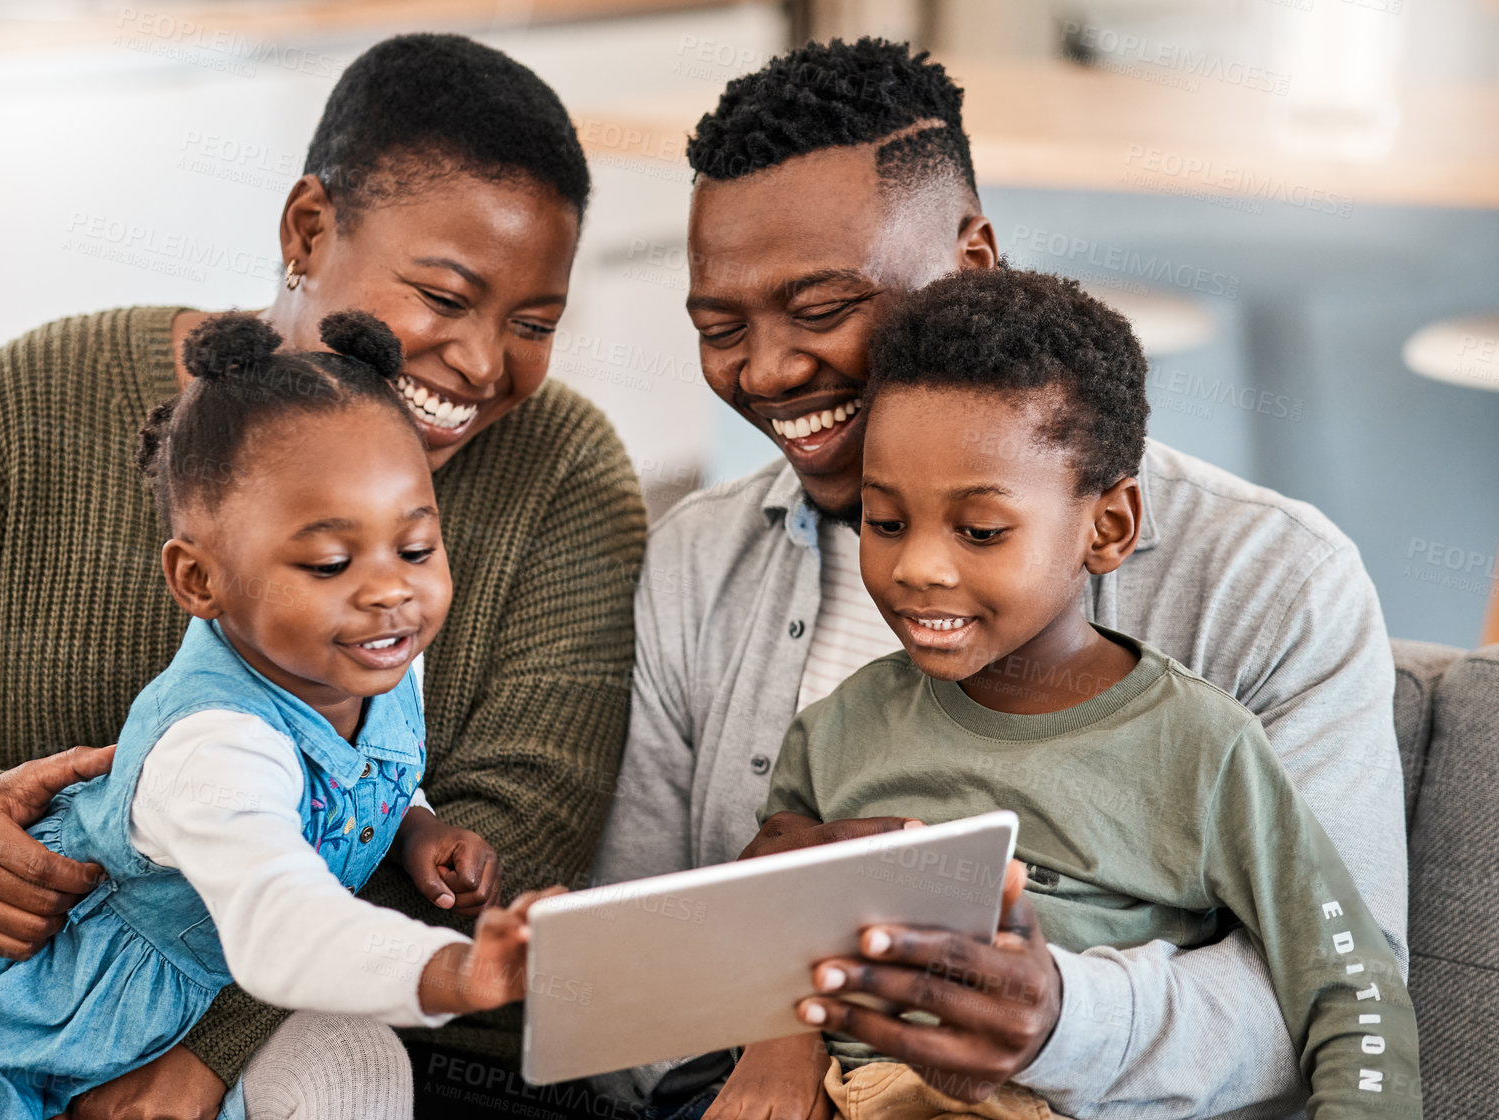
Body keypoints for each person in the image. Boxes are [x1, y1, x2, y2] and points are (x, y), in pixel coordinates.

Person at [0, 33, 645, 1120]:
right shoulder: (35, 398)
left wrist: (205, 1055)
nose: (480, 363)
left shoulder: (563, 473)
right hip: (18, 988)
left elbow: (504, 834)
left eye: (533, 323)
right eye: (443, 295)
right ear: (307, 229)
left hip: (342, 1018)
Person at [593, 38, 1409, 1119]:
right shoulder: (707, 571)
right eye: (719, 327)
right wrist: (769, 1009)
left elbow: (1335, 993)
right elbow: (625, 985)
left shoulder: (1270, 586)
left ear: (973, 259)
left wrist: (1061, 1019)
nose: (768, 370)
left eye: (823, 308)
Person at [0, 312, 569, 1119]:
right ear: (199, 582)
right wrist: (457, 972)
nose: (391, 589)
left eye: (416, 548)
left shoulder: (380, 655)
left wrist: (416, 827)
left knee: (356, 1065)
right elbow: (282, 926)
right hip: (34, 988)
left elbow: (375, 770)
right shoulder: (215, 746)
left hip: (193, 1003)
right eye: (329, 561)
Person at [731, 269, 1420, 1119]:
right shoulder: (834, 733)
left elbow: (1350, 981)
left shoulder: (1201, 749)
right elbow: (770, 935)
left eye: (980, 531)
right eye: (885, 521)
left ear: (1109, 527)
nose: (917, 568)